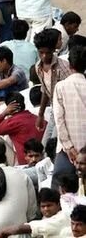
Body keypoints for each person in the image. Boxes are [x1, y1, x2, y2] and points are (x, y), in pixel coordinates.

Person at [52, 46, 86, 183]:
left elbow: (59, 120)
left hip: (67, 150)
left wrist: (69, 146)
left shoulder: (61, 86)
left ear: (70, 65)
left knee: (60, 185)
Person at [34, 28, 72, 144]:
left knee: (54, 145)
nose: (44, 56)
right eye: (41, 53)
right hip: (54, 111)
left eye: (48, 53)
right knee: (44, 144)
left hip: (66, 113)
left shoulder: (63, 68)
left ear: (53, 50)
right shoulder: (38, 67)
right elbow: (45, 91)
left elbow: (72, 94)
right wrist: (40, 115)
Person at [0, 92, 44, 165]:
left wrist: (4, 113)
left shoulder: (12, 122)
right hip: (41, 158)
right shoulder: (38, 119)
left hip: (25, 161)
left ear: (9, 107)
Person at [0, 187, 71, 237]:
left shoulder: (62, 217)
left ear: (58, 205)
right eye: (43, 206)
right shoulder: (44, 219)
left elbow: (34, 227)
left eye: (49, 206)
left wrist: (6, 231)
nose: (46, 209)